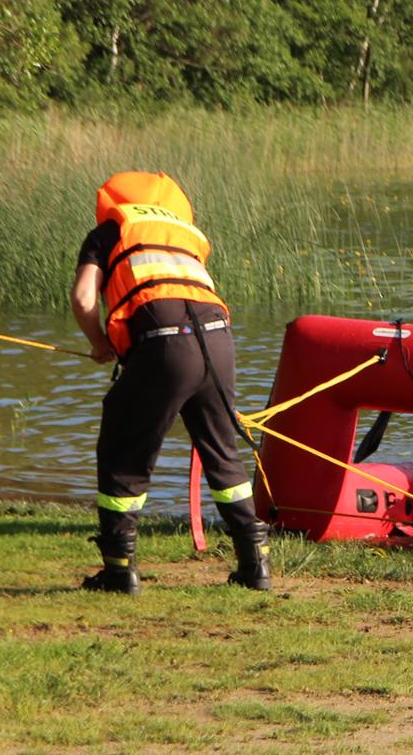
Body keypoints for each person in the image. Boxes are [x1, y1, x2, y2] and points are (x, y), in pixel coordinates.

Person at [71, 171, 269, 595]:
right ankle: (256, 566)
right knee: (222, 451)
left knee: (123, 449)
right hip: (219, 340)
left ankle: (120, 571)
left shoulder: (109, 232)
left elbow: (84, 299)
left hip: (163, 346)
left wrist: (99, 343)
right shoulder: (183, 233)